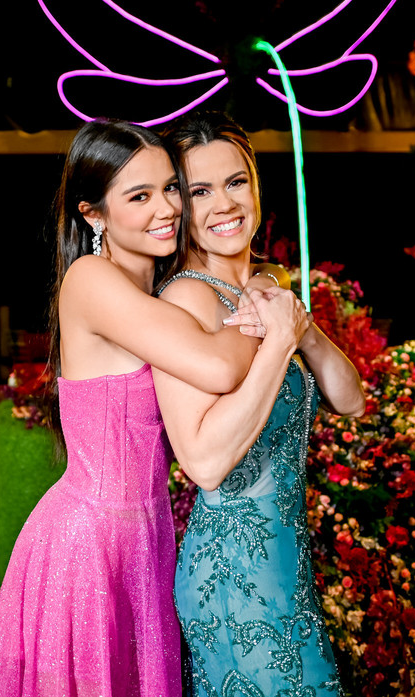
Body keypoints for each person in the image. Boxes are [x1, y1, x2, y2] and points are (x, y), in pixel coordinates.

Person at [0, 119, 307, 697]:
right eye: (139, 196)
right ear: (93, 215)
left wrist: (259, 284)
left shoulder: (154, 288)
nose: (167, 208)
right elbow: (220, 367)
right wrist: (261, 298)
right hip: (89, 544)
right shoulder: (89, 280)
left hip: (146, 536)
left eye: (171, 188)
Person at [154, 111, 366, 697]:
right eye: (200, 190)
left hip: (286, 560)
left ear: (255, 186)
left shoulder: (266, 284)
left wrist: (302, 329)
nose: (224, 203)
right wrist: (276, 344)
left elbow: (351, 400)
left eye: (235, 182)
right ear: (179, 207)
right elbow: (203, 463)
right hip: (234, 573)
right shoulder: (185, 300)